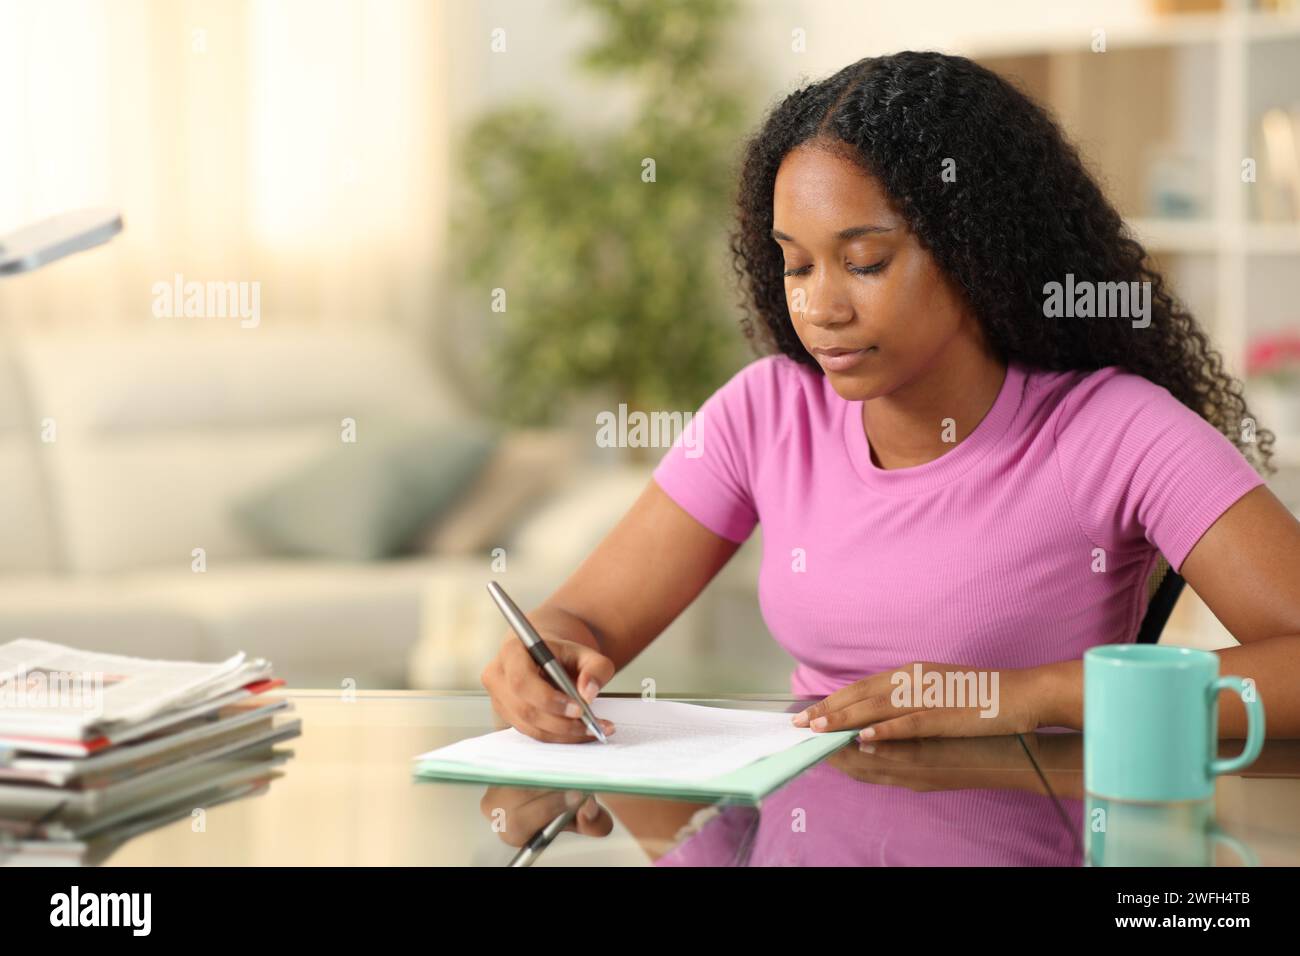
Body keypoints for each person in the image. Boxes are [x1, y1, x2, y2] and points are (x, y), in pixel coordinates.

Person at [480, 51, 1300, 747]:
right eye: (796, 266)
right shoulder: (766, 412)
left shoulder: (1115, 429)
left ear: (977, 249)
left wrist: (1025, 696)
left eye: (865, 262)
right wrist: (545, 655)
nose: (820, 309)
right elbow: (584, 621)